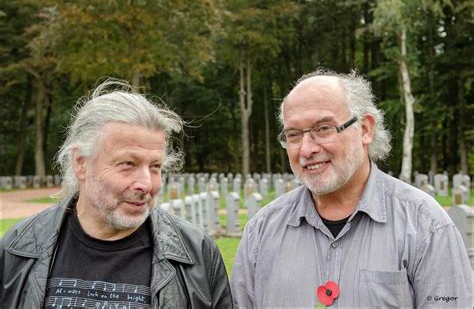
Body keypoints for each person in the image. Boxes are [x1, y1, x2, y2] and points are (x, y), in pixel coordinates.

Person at [230, 69, 472, 307]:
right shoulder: (260, 234)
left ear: (365, 129)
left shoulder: (426, 227)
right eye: (293, 135)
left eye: (323, 129)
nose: (306, 149)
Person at [0, 80, 233, 308]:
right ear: (81, 163)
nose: (145, 184)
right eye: (128, 163)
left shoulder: (197, 255)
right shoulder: (19, 248)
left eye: (155, 167)